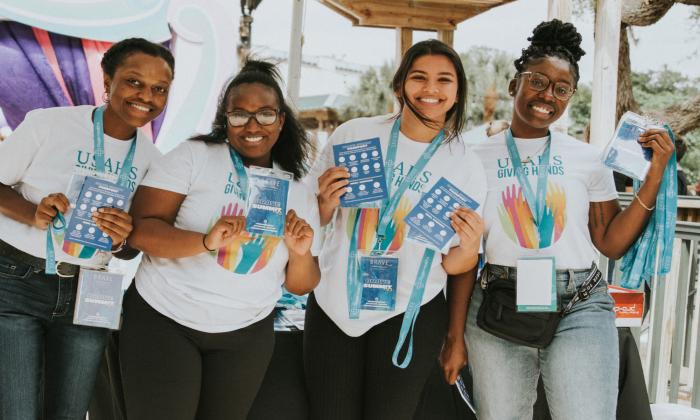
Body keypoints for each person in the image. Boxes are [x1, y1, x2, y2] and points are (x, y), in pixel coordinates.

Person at [464, 19, 675, 420]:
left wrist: (655, 175)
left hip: (579, 301)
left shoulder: (587, 158)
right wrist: (453, 333)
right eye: (538, 81)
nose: (548, 96)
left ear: (570, 98)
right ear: (515, 85)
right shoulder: (475, 159)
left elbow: (610, 243)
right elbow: (461, 252)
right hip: (498, 300)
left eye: (562, 89)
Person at [121, 60, 321, 420]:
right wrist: (206, 241)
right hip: (166, 319)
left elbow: (301, 283)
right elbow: (140, 230)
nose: (253, 125)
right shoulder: (194, 156)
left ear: (281, 120)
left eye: (264, 114)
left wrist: (301, 253)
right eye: (239, 115)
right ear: (224, 119)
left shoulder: (296, 189)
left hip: (245, 334)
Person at [304, 39, 486, 420]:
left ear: (457, 92)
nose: (430, 90)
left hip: (410, 311)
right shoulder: (355, 135)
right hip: (336, 303)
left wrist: (469, 247)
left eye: (444, 80)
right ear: (400, 83)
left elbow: (454, 264)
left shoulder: (464, 163)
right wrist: (322, 203)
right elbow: (310, 223)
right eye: (419, 77)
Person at [0, 38, 174, 420]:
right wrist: (32, 212)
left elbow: (129, 249)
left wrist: (123, 237)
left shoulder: (154, 163)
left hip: (91, 290)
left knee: (70, 413)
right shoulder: (50, 124)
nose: (146, 96)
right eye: (134, 82)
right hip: (17, 280)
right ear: (107, 79)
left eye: (159, 89)